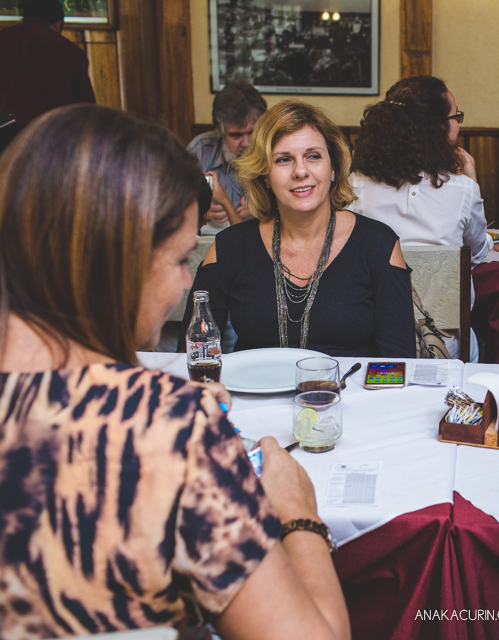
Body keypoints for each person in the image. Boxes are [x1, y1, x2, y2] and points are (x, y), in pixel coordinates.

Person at [0, 105, 349, 639]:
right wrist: (298, 515)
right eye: (180, 259)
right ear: (118, 259)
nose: (186, 285)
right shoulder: (173, 431)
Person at [180, 99, 416, 357]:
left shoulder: (378, 245)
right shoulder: (229, 247)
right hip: (253, 394)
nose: (300, 171)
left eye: (313, 156)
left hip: (350, 394)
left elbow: (399, 362)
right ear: (264, 175)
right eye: (283, 160)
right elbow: (192, 351)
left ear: (334, 167)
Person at [349, 75, 487, 360]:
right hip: (445, 348)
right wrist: (471, 177)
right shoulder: (462, 190)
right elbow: (477, 254)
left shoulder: (355, 188)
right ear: (438, 128)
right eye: (456, 116)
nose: (459, 124)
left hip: (377, 346)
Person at [0, 0, 95, 151]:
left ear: (22, 18)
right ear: (58, 23)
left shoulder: (3, 40)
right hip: (51, 139)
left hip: (3, 136)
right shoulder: (69, 51)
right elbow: (86, 108)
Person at [187, 79, 267, 231]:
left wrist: (266, 211)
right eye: (236, 135)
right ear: (221, 132)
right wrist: (201, 211)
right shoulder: (200, 150)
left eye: (252, 132)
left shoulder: (276, 151)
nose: (246, 143)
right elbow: (176, 205)